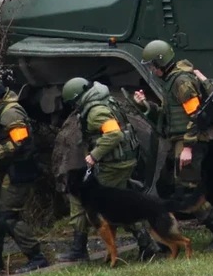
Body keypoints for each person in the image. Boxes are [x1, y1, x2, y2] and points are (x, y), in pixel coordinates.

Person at [135, 40, 213, 251]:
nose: (151, 70)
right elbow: (169, 115)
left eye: (152, 65)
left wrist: (188, 147)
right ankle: (166, 235)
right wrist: (145, 105)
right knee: (165, 186)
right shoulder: (173, 80)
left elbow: (196, 116)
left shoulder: (181, 82)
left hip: (189, 142)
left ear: (161, 63)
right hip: (179, 141)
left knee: (188, 191)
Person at [59, 77, 159, 262]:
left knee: (98, 203)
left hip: (113, 164)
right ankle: (147, 245)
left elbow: (114, 134)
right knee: (121, 202)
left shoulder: (96, 111)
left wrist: (95, 154)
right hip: (121, 161)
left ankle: (79, 248)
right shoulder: (105, 100)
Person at [0, 74, 50, 275]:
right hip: (8, 170)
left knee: (9, 216)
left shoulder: (11, 113)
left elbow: (19, 141)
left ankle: (36, 257)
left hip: (20, 170)